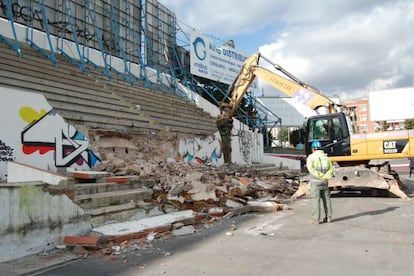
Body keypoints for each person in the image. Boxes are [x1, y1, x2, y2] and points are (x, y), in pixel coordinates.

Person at [306, 141, 334, 224]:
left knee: (316, 200)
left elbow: (311, 169)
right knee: (327, 199)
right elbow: (331, 170)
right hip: (325, 182)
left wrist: (320, 176)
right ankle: (328, 217)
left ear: (313, 149)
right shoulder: (326, 157)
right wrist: (325, 177)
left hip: (315, 183)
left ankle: (315, 219)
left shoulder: (311, 157)